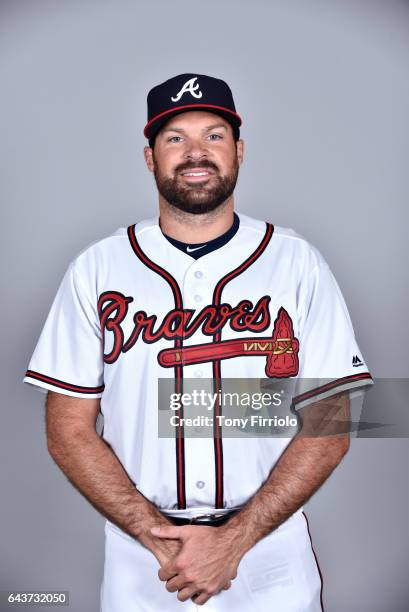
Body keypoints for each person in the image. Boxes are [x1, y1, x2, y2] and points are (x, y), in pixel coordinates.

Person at [23, 73, 373, 611]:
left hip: (266, 549)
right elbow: (67, 429)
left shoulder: (298, 263)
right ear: (149, 157)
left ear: (239, 150)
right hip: (144, 558)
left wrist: (234, 540)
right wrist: (152, 535)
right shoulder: (96, 268)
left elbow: (332, 424)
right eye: (174, 138)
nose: (195, 152)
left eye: (213, 135)